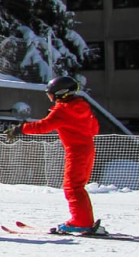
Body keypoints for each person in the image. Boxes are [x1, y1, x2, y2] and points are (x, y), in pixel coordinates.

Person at [8, 75, 99, 234]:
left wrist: (20, 129)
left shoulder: (63, 110)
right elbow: (94, 129)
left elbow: (43, 126)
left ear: (61, 93)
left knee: (72, 187)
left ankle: (81, 222)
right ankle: (83, 220)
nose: (50, 98)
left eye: (51, 94)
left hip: (76, 152)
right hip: (88, 150)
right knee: (77, 186)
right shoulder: (83, 107)